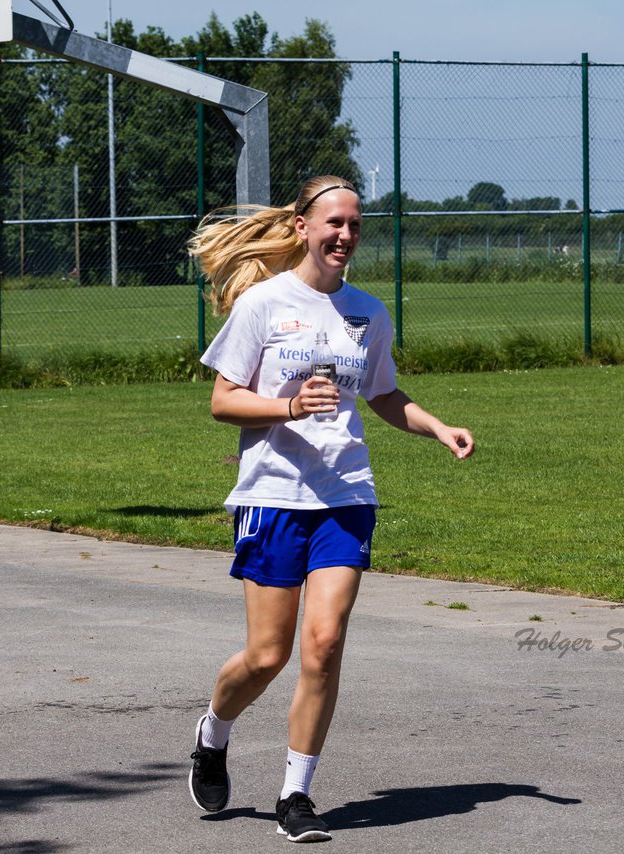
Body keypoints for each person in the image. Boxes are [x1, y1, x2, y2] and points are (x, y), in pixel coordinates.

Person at [186, 175, 474, 843]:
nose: (345, 235)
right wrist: (288, 406)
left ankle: (296, 795)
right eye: (334, 223)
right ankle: (213, 731)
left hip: (345, 496)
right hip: (273, 497)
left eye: (354, 226)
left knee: (324, 644)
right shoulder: (262, 304)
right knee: (266, 656)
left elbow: (384, 394)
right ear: (303, 227)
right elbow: (223, 400)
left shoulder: (368, 312)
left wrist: (437, 427)